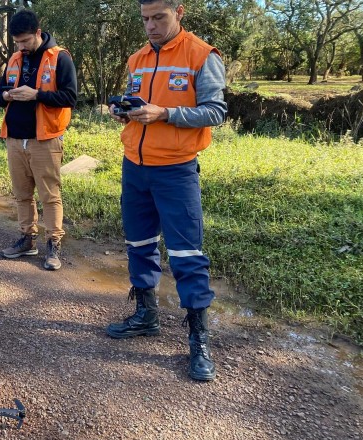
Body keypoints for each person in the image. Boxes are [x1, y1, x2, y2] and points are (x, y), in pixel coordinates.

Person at [105, 0, 227, 382]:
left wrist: (165, 113)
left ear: (179, 11)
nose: (151, 27)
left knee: (186, 253)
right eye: (145, 19)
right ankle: (146, 315)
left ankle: (198, 339)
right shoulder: (137, 58)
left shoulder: (201, 54)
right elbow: (135, 99)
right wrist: (123, 110)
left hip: (176, 170)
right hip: (134, 167)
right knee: (139, 244)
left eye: (159, 18)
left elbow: (216, 111)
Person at [0, 9, 77, 270]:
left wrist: (37, 95)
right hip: (15, 138)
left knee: (49, 195)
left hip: (45, 138)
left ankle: (53, 244)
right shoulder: (15, 59)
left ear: (38, 34)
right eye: (17, 42)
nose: (21, 47)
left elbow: (70, 97)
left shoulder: (60, 58)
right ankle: (27, 239)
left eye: (26, 41)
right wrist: (7, 96)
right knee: (21, 194)